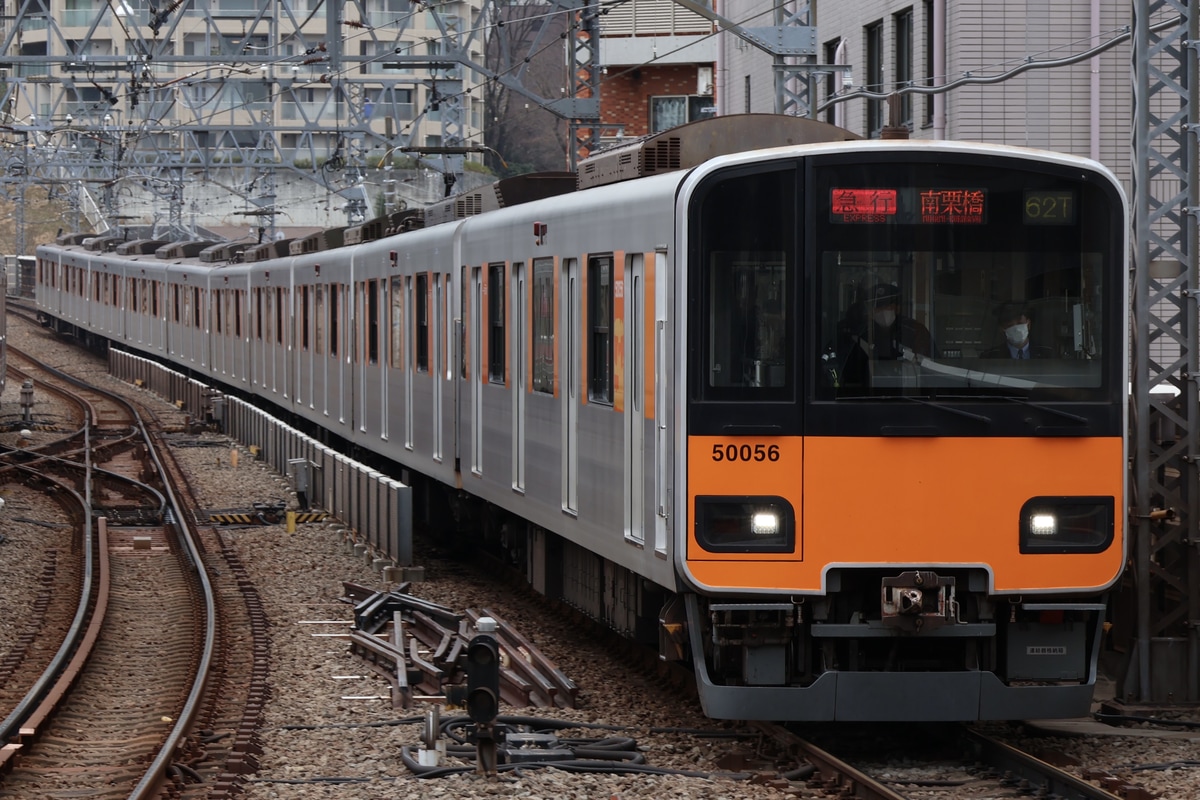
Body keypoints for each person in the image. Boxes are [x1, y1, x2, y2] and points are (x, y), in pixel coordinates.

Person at [836, 282, 934, 386]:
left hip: (908, 393)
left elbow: (930, 367)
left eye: (888, 306)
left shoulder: (915, 330)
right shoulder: (862, 332)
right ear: (870, 311)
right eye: (878, 307)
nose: (883, 311)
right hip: (869, 394)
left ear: (897, 308)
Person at [982, 303, 1053, 359]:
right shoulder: (990, 357)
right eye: (1010, 326)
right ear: (1002, 329)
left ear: (1028, 324)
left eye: (1020, 323)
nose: (1016, 329)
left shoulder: (1047, 354)